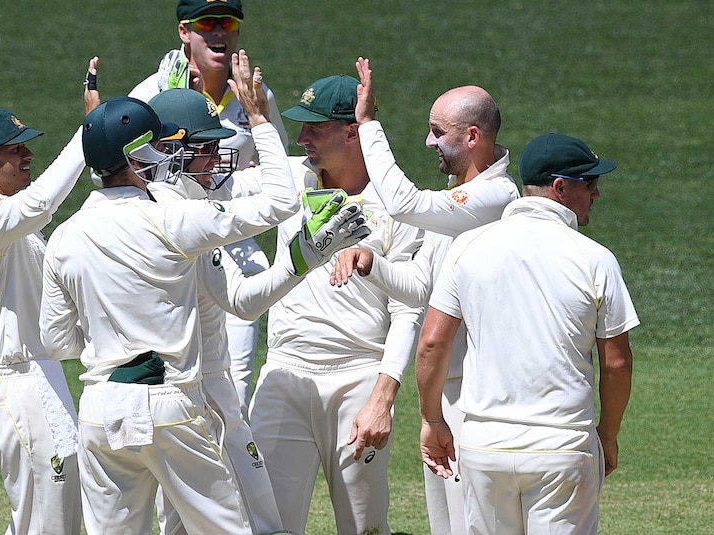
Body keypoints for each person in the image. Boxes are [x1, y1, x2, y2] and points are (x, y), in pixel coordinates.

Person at [38, 51, 300, 535]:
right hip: (170, 404)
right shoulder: (173, 220)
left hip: (100, 407)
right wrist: (259, 119)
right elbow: (283, 201)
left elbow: (57, 343)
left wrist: (112, 346)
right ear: (143, 155)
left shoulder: (63, 238)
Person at [144, 87, 368, 535]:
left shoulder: (163, 205)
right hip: (192, 395)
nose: (218, 157)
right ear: (171, 153)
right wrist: (300, 259)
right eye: (206, 147)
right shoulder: (182, 220)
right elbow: (246, 300)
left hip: (181, 392)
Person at [332, 58, 520, 535]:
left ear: (473, 137)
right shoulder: (457, 197)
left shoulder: (495, 196)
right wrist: (374, 266)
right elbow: (420, 287)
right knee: (446, 523)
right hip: (444, 389)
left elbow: (405, 204)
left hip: (481, 393)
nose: (429, 142)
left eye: (438, 132)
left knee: (475, 524)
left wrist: (368, 124)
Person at [417, 133, 638, 535]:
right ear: (560, 188)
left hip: (484, 448)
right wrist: (608, 434)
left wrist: (433, 419)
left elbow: (432, 342)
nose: (597, 194)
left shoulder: (467, 247)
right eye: (590, 184)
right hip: (561, 450)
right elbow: (617, 363)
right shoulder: (595, 258)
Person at [247, 73, 428, 535]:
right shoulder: (286, 179)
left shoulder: (398, 205)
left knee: (363, 527)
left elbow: (408, 311)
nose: (303, 138)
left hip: (358, 382)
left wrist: (383, 399)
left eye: (315, 128)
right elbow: (207, 181)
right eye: (300, 127)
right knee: (268, 525)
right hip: (284, 375)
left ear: (353, 130)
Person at [0, 57, 100, 535]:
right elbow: (40, 207)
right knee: (47, 516)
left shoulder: (5, 213)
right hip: (11, 381)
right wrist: (89, 134)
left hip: (40, 374)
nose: (28, 155)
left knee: (56, 510)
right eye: (15, 150)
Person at [129, 0, 289, 412]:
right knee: (176, 366)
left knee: (234, 377)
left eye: (229, 23)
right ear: (185, 31)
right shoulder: (152, 93)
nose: (220, 32)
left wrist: (258, 175)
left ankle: (231, 465)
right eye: (207, 23)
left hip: (233, 241)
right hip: (171, 242)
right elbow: (117, 171)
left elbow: (280, 156)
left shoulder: (255, 94)